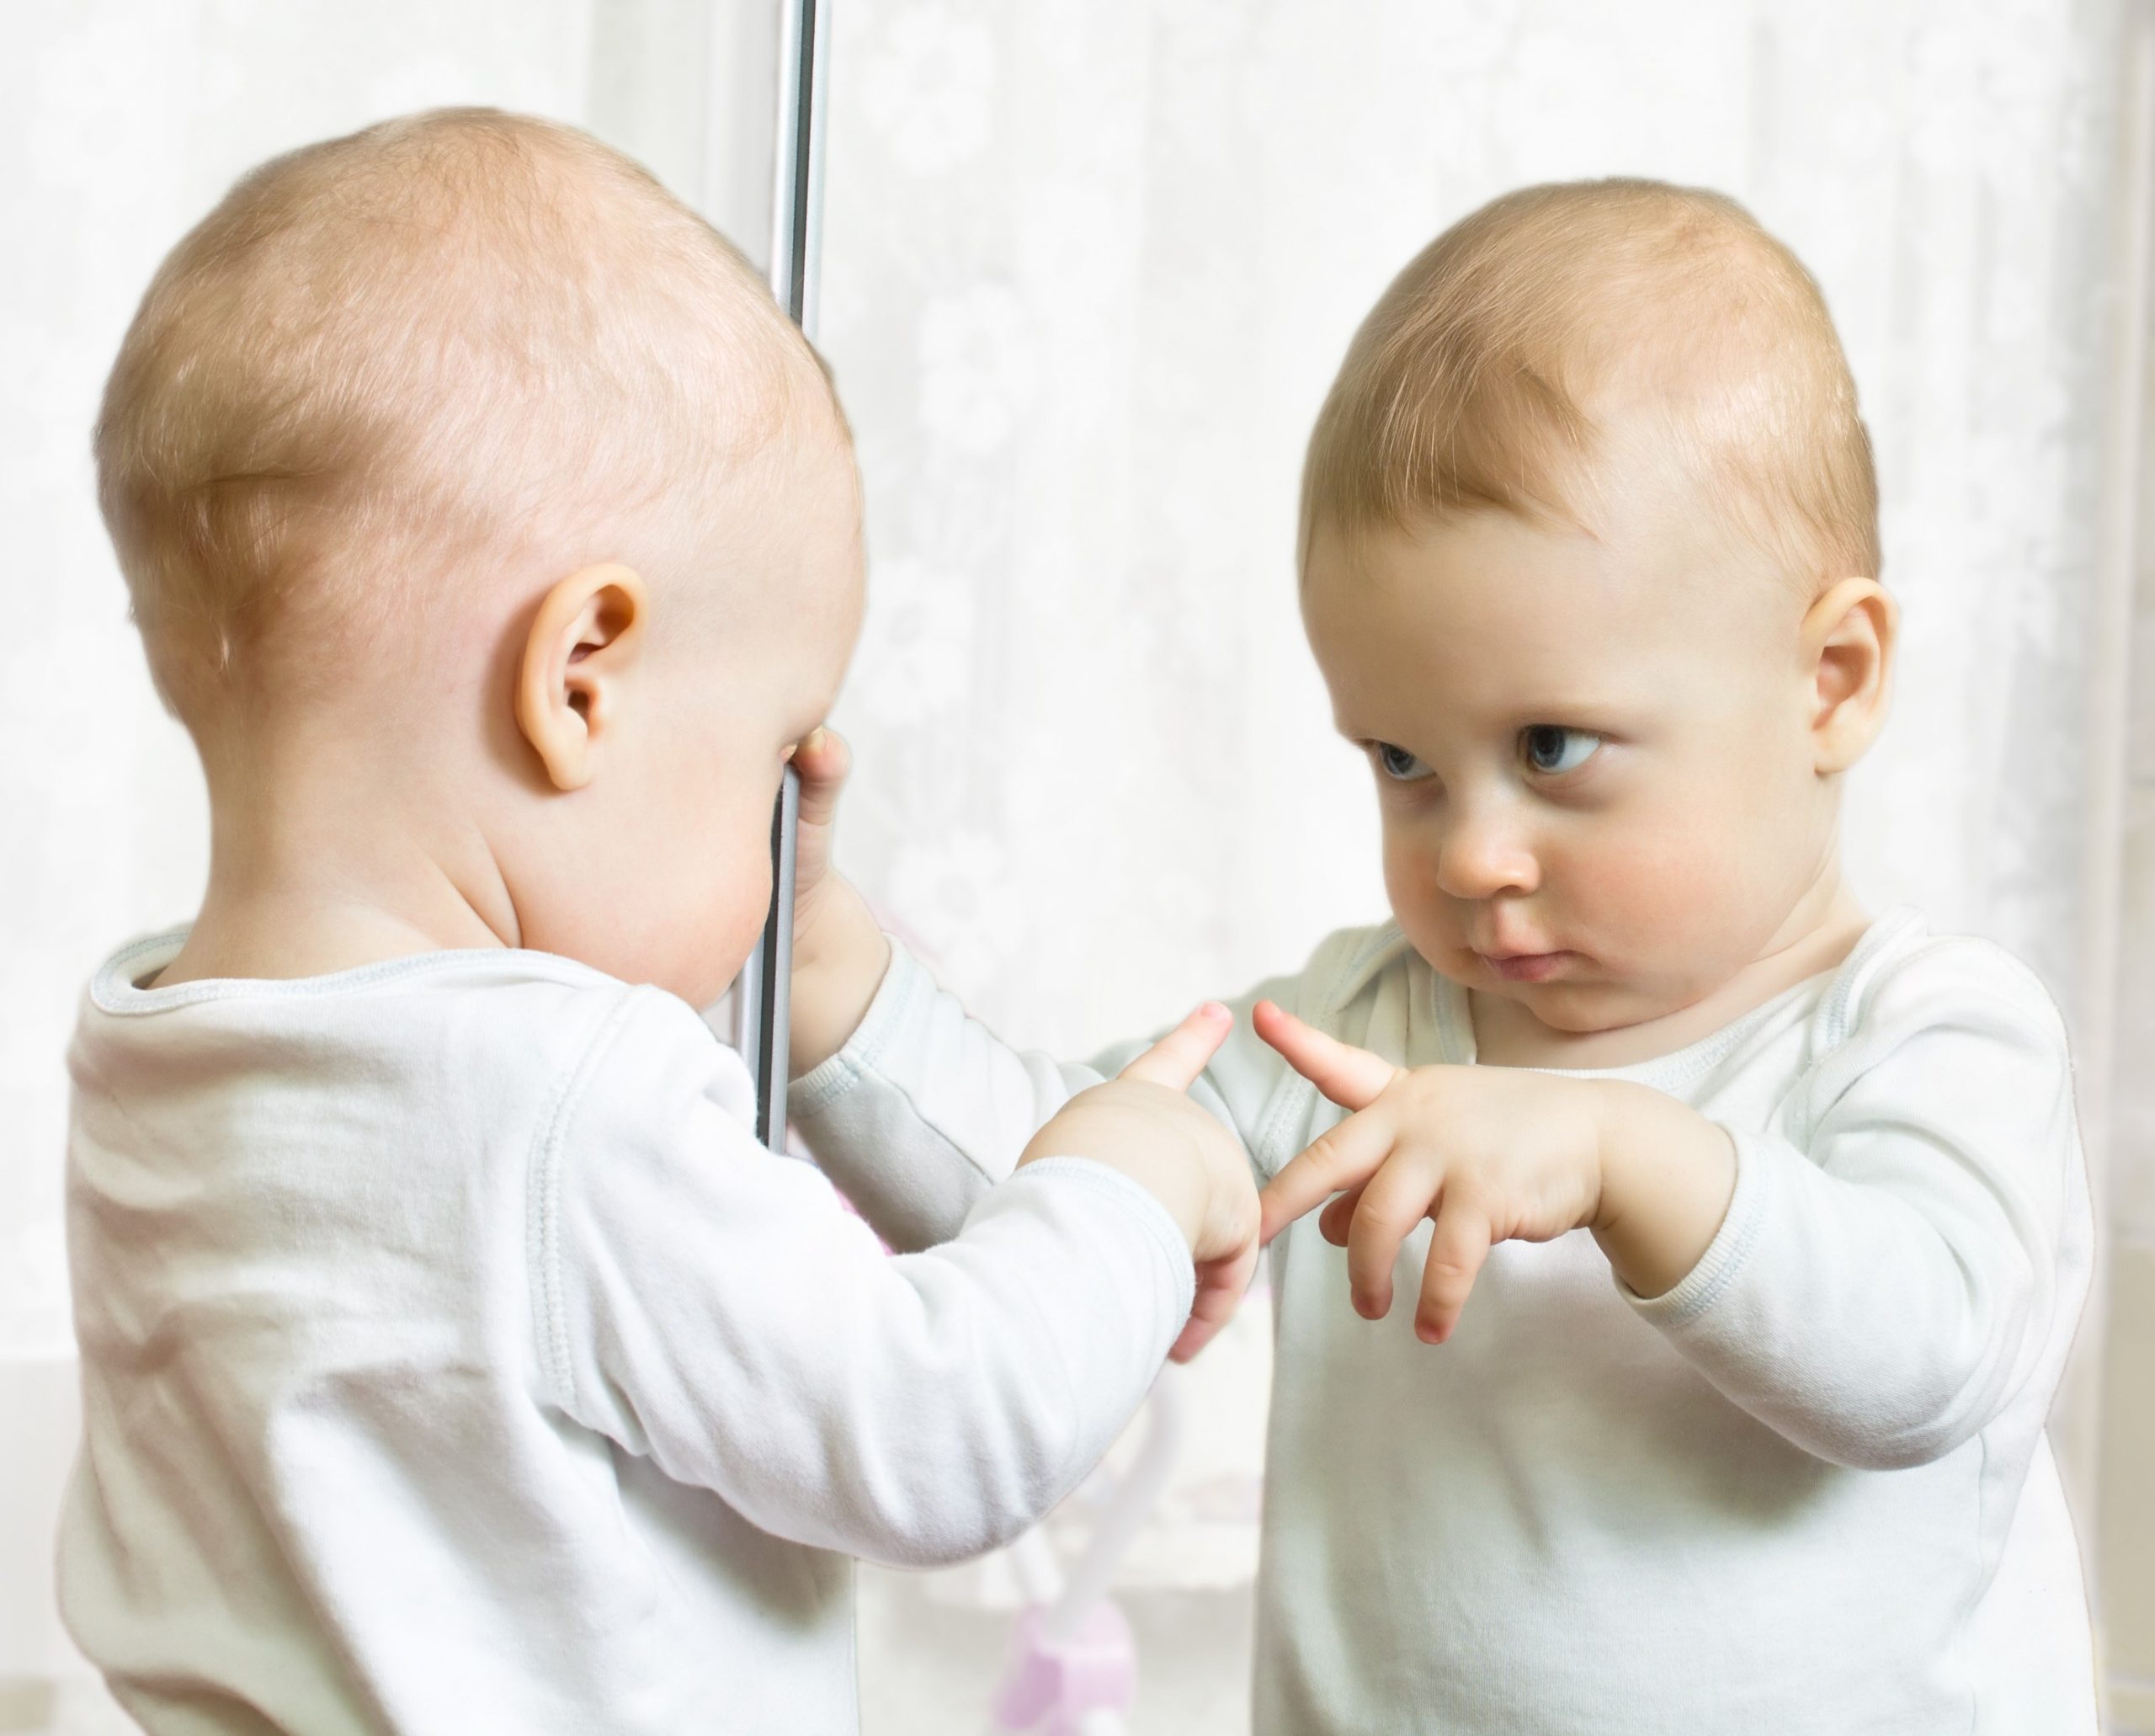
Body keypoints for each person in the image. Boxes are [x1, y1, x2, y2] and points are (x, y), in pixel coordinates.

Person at [785, 179, 2100, 1732]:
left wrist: (1623, 1153)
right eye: (1402, 761)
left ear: (1831, 680)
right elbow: (1055, 1190)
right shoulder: (1359, 1030)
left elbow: (1928, 1358)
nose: (1469, 853)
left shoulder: (1926, 1033)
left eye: (1552, 747)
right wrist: (814, 970)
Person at [62, 108, 1260, 1735]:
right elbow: (937, 1429)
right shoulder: (559, 1100)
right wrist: (1124, 1176)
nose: (780, 842)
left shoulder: (156, 1050)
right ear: (580, 681)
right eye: (771, 756)